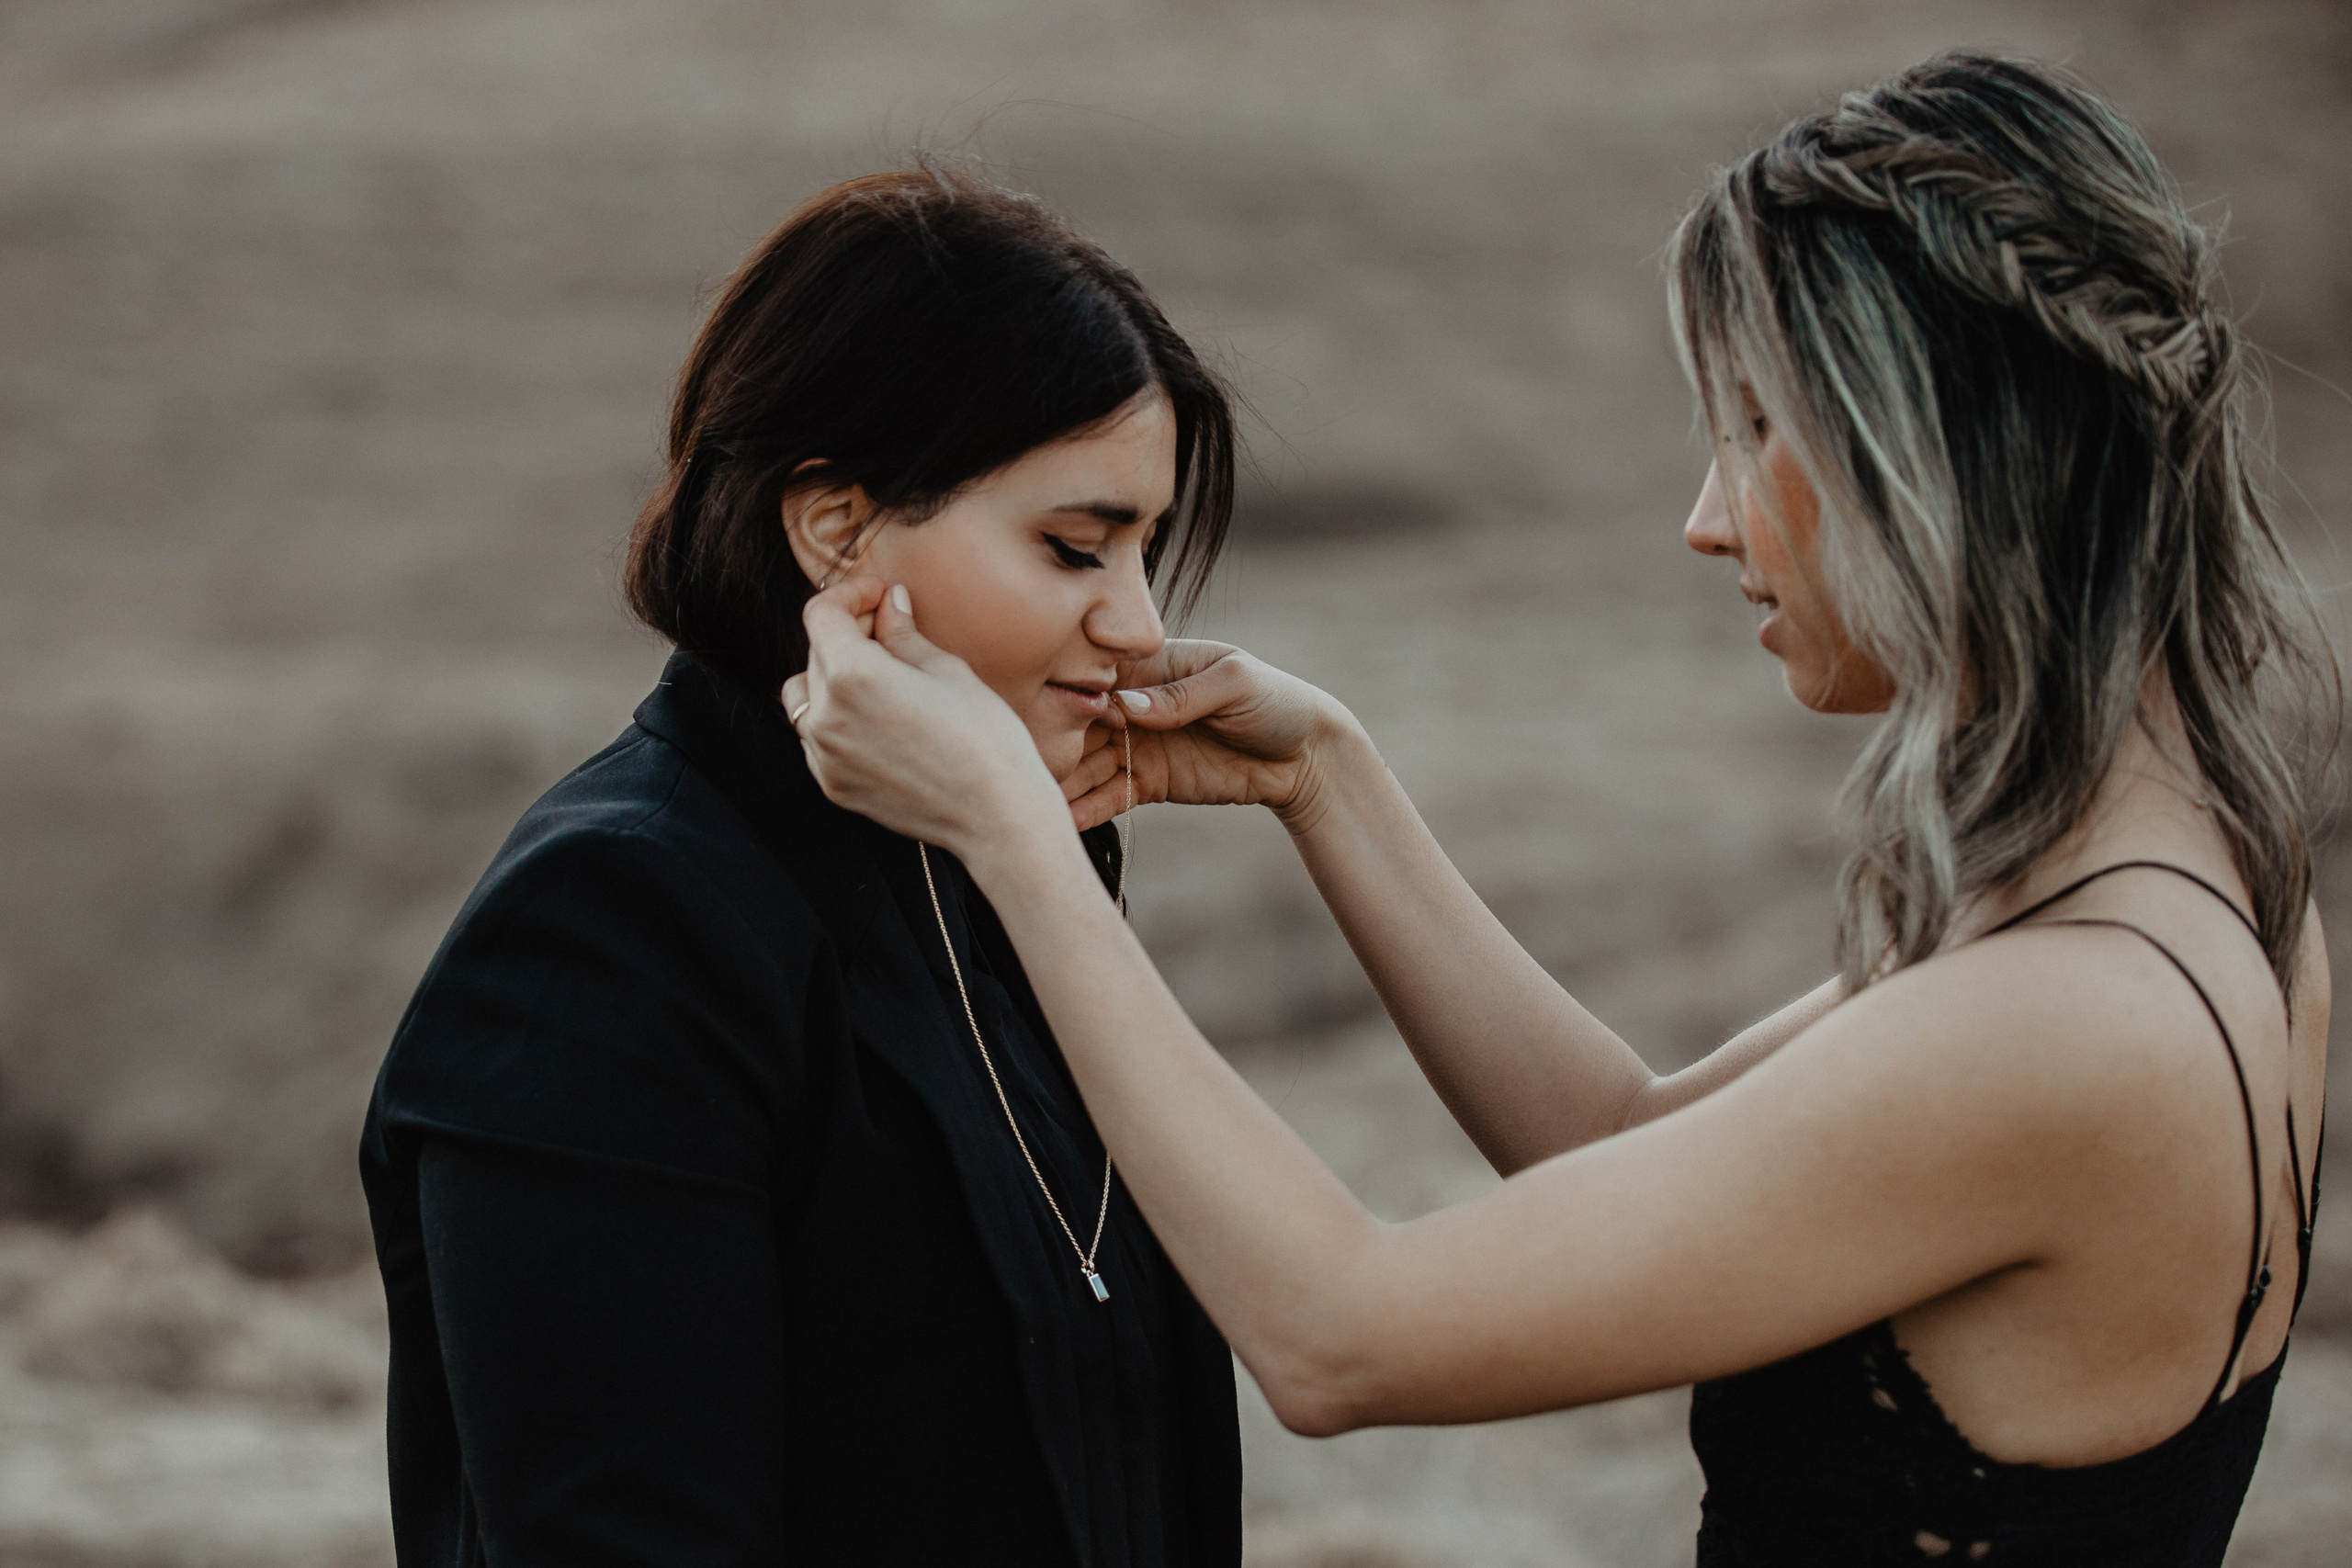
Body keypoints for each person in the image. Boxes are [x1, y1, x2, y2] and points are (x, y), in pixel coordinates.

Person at [787, 55, 2331, 1565]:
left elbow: (1338, 1338)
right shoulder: (2197, 891)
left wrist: (1011, 837)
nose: (1708, 519)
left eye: (1758, 427)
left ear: (1943, 443)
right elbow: (1630, 1143)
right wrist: (1327, 780)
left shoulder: (2061, 1029)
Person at [358, 165, 1243, 1567]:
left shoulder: (1004, 882)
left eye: (1146, 549)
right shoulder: (610, 935)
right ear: (835, 526)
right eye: (1077, 548)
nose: (1137, 624)